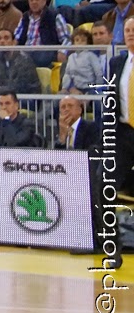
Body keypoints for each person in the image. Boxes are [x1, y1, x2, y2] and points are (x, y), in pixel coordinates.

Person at [106, 16, 134, 194]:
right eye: (127, 31)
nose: (130, 34)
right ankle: (105, 214)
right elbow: (111, 99)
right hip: (123, 132)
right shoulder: (116, 63)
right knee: (106, 181)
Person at [60, 29, 106, 94]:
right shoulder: (71, 57)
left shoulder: (91, 56)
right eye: (77, 40)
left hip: (90, 89)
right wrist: (64, 88)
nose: (79, 43)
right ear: (73, 43)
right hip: (76, 89)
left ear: (87, 43)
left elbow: (98, 73)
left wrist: (97, 88)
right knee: (60, 95)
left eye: (83, 40)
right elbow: (67, 74)